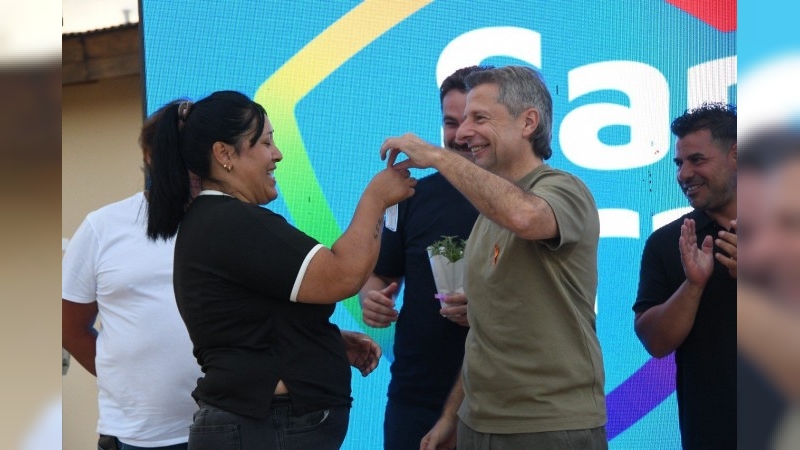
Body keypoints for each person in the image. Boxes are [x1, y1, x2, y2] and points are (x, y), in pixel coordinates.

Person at [145, 90, 416, 450]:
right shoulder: (230, 221)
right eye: (265, 142)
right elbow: (343, 275)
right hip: (263, 426)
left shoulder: (219, 221)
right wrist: (376, 198)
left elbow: (245, 322)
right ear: (224, 154)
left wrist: (322, 341)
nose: (277, 154)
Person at [381, 65, 607, 449]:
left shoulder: (564, 188)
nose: (462, 133)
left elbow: (526, 216)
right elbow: (483, 337)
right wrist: (452, 417)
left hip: (547, 426)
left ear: (528, 122)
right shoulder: (489, 215)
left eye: (479, 118)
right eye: (460, 120)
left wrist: (437, 157)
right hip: (480, 423)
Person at [358, 66, 487, 450]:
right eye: (451, 122)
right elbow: (381, 275)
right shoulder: (411, 194)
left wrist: (486, 311)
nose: (460, 135)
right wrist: (372, 299)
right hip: (416, 394)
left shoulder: (524, 201)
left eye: (474, 121)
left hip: (498, 398)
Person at [62, 101, 203, 450]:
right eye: (175, 150)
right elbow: (69, 327)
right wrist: (127, 385)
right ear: (150, 156)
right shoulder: (102, 227)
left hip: (230, 429)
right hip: (136, 438)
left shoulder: (236, 224)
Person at [633, 103, 737, 449]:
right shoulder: (669, 243)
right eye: (679, 163)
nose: (684, 174)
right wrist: (693, 286)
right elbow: (656, 342)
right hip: (711, 433)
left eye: (697, 160)